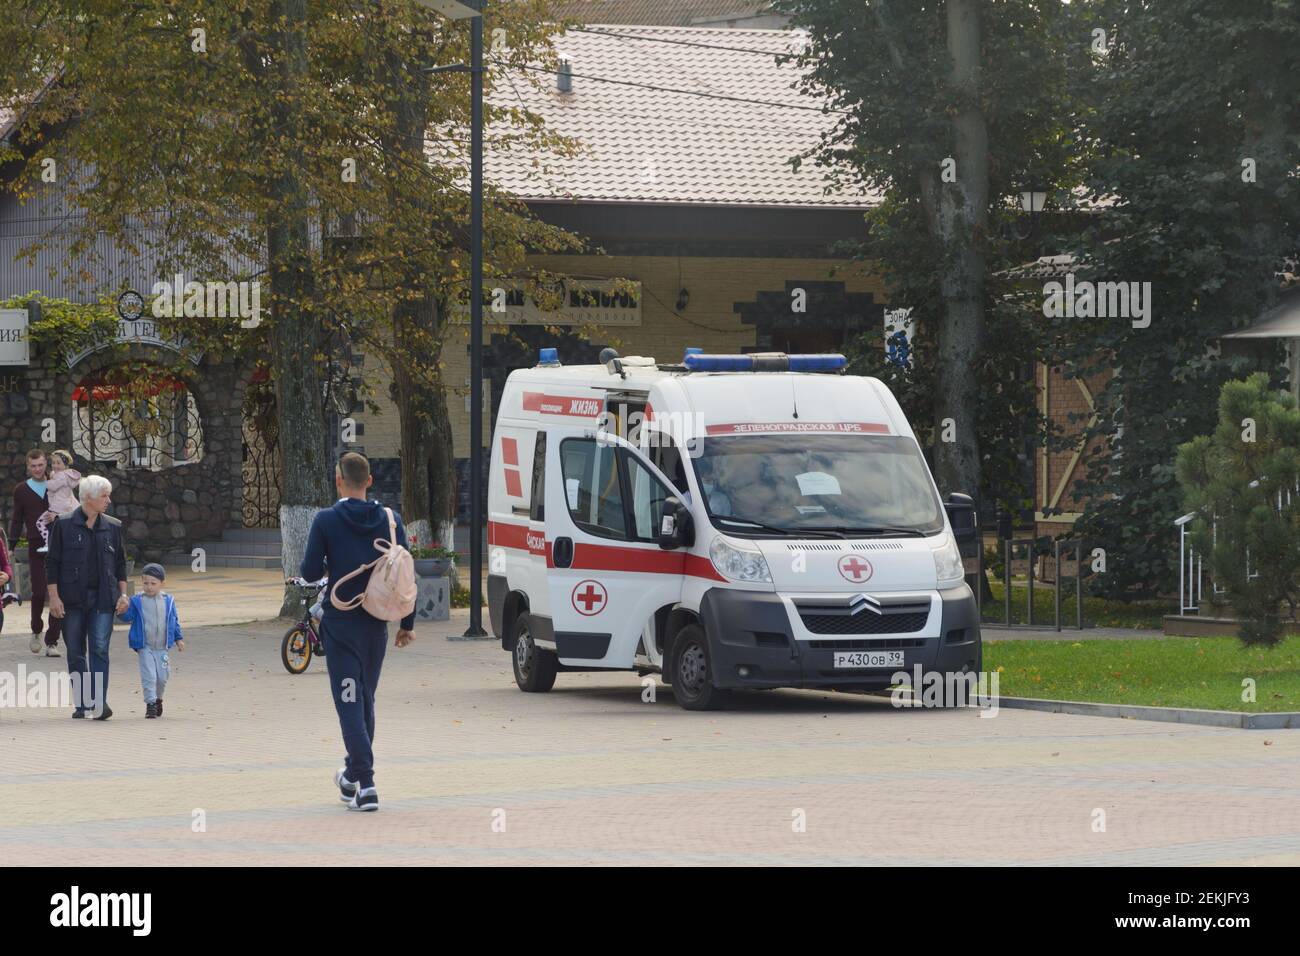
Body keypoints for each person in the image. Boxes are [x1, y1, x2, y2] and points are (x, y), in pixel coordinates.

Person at [301, 452, 415, 812]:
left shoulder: (326, 521)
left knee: (349, 701)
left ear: (338, 481)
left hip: (341, 623)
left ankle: (366, 783)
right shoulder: (390, 519)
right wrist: (407, 625)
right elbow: (407, 576)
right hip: (377, 624)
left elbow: (307, 570)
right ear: (369, 481)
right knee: (364, 698)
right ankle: (351, 777)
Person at [46, 474, 129, 720]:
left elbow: (121, 565)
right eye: (104, 496)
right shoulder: (63, 524)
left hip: (104, 599)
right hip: (71, 600)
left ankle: (99, 703)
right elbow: (52, 564)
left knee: (100, 649)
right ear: (88, 498)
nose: (108, 500)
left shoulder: (113, 526)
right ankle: (83, 703)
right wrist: (54, 598)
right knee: (75, 651)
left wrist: (123, 595)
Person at [9, 449, 62, 656]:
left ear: (46, 464)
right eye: (33, 466)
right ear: (28, 467)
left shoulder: (57, 485)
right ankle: (36, 629)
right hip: (35, 545)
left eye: (41, 465)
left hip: (58, 545)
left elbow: (70, 508)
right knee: (39, 592)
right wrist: (11, 545)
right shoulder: (21, 490)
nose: (38, 469)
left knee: (58, 593)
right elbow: (17, 519)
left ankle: (52, 642)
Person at [117, 563, 184, 719]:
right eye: (146, 583)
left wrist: (178, 638)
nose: (149, 587)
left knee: (162, 676)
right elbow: (128, 617)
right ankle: (151, 704)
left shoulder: (169, 601)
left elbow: (174, 620)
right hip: (144, 646)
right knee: (150, 676)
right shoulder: (137, 600)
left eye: (153, 583)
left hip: (162, 647)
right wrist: (122, 611)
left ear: (162, 583)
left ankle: (158, 699)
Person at [36, 450, 82, 553]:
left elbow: (53, 486)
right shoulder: (65, 475)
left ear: (65, 465)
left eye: (58, 463)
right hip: (65, 507)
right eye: (53, 463)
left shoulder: (62, 476)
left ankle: (48, 544)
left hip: (58, 508)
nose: (55, 466)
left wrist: (43, 482)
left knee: (40, 523)